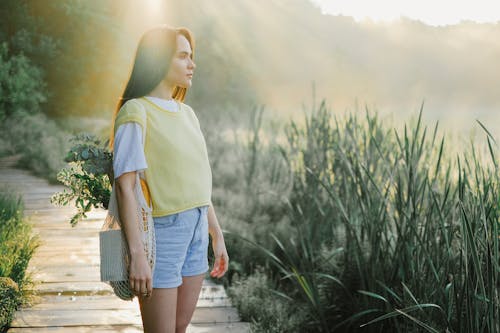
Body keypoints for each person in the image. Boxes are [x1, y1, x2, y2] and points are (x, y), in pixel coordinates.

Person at [109, 25, 229, 333]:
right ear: (159, 60)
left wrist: (215, 234)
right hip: (161, 233)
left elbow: (197, 181)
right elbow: (126, 186)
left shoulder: (187, 114)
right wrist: (137, 255)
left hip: (197, 229)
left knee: (178, 327)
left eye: (192, 57)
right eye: (182, 56)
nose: (192, 64)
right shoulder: (136, 111)